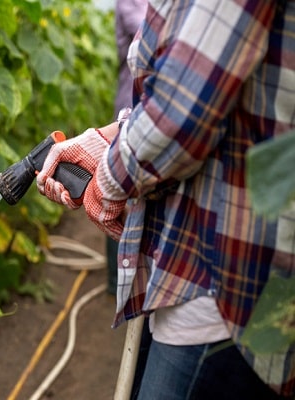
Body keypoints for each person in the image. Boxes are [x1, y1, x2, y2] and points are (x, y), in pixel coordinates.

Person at [36, 1, 295, 398]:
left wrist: (108, 182)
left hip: (224, 274)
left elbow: (184, 108)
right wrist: (110, 136)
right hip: (214, 250)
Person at [107, 0, 148, 295]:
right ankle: (114, 281)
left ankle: (136, 277)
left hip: (151, 115)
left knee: (141, 195)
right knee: (117, 192)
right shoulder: (129, 3)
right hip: (129, 108)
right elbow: (150, 34)